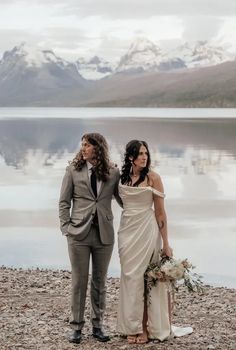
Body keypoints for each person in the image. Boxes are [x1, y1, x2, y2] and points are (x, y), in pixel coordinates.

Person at [116, 140, 192, 344]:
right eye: (140, 153)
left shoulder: (154, 178)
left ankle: (144, 329)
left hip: (147, 230)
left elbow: (160, 214)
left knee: (146, 278)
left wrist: (166, 244)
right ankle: (130, 326)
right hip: (126, 230)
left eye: (146, 153)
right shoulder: (122, 177)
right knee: (129, 278)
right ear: (130, 157)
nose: (144, 157)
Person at [59, 133, 122, 344]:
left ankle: (98, 326)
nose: (83, 148)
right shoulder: (72, 171)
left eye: (87, 145)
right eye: (82, 145)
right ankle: (76, 327)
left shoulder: (113, 172)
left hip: (104, 234)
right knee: (79, 281)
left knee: (99, 282)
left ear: (98, 148)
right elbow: (64, 202)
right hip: (78, 234)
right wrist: (65, 227)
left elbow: (123, 199)